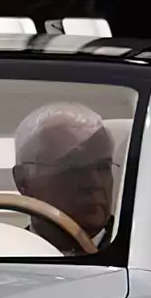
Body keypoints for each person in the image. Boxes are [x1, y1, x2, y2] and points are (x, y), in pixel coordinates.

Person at [12, 102, 115, 245]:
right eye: (73, 168)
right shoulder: (2, 255)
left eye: (103, 167)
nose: (94, 183)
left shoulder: (143, 250)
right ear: (23, 181)